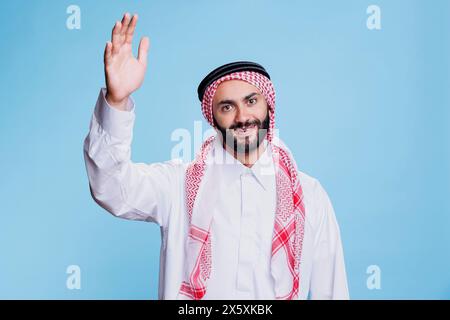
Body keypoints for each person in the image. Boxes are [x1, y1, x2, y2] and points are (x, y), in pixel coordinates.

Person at [83, 13, 349, 300]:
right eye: (227, 107)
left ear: (269, 107)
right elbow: (110, 188)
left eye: (251, 101)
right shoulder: (178, 185)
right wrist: (117, 100)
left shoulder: (310, 196)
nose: (242, 117)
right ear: (212, 118)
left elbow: (332, 291)